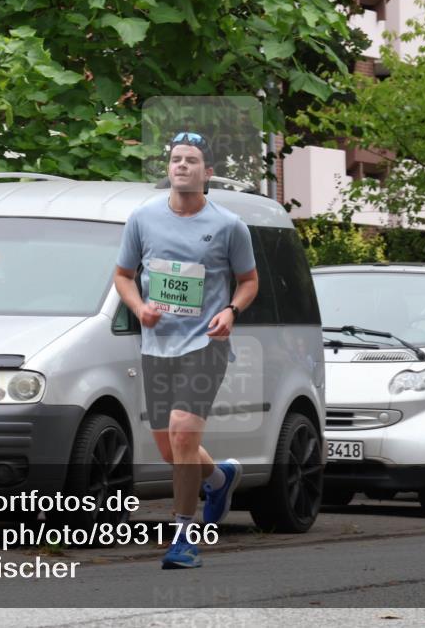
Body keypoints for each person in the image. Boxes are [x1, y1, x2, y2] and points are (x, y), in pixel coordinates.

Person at [113, 131, 259, 569]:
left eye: (191, 160)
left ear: (207, 173)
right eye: (176, 159)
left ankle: (183, 537)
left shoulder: (229, 226)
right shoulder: (143, 218)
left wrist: (231, 310)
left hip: (206, 345)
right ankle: (219, 477)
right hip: (158, 346)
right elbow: (123, 275)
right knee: (169, 448)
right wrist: (140, 307)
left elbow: (249, 281)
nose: (181, 166)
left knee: (182, 433)